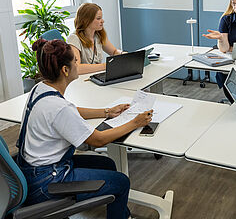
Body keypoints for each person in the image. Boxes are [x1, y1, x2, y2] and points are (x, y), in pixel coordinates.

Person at [16, 38, 152, 219]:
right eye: (75, 62)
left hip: (33, 171)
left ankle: (121, 214)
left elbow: (70, 111)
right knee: (121, 182)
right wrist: (135, 122)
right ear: (65, 70)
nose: (77, 65)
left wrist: (106, 112)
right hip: (47, 181)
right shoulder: (58, 107)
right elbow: (98, 140)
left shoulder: (41, 88)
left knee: (108, 164)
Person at [67, 3, 124, 75]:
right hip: (82, 81)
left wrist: (123, 54)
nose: (102, 21)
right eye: (98, 18)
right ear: (86, 20)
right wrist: (105, 66)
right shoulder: (74, 39)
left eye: (101, 18)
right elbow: (76, 67)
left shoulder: (98, 35)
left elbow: (114, 52)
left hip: (96, 76)